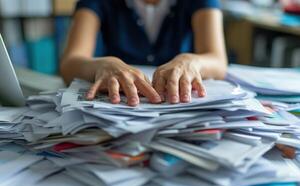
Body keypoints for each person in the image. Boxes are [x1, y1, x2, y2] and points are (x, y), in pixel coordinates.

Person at [60, 0, 227, 106]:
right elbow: (70, 63)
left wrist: (191, 62)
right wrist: (104, 65)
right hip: (120, 109)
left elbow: (217, 60)